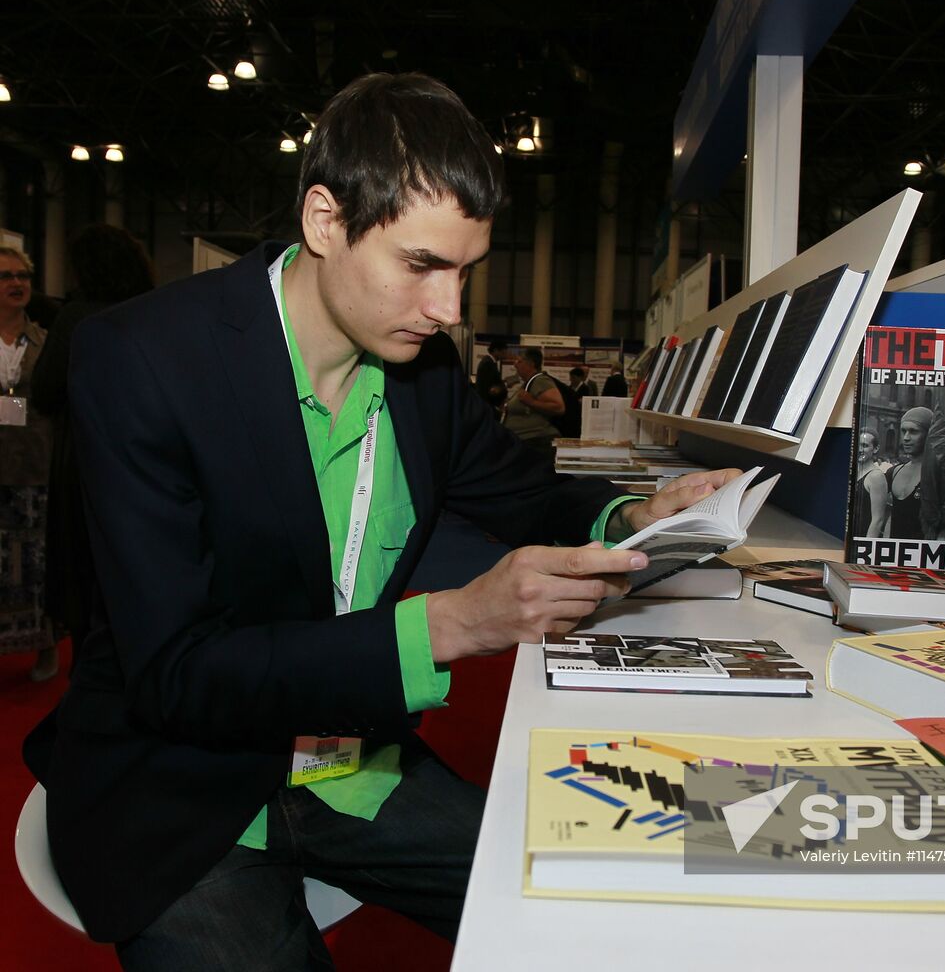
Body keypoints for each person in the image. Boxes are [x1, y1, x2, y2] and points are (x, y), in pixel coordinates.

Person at [22, 71, 739, 967]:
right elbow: (176, 673)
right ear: (325, 221)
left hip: (343, 760)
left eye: (466, 271)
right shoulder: (143, 362)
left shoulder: (423, 374)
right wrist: (451, 625)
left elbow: (524, 490)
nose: (449, 312)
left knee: (593, 914)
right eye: (421, 265)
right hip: (180, 790)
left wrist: (637, 509)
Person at [31, 224, 155, 667]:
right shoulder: (152, 311)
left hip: (83, 464)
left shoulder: (76, 319)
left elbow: (44, 390)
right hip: (147, 462)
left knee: (83, 582)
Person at [0, 246, 58, 682]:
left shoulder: (44, 340)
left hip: (37, 467)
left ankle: (45, 649)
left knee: (38, 565)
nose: (17, 283)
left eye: (23, 276)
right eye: (6, 276)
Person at [503, 345, 565, 448]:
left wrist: (531, 402)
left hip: (535, 442)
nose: (515, 365)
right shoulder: (529, 383)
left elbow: (558, 407)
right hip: (524, 441)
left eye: (519, 361)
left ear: (530, 364)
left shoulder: (541, 381)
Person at [885, 407, 931, 539]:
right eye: (903, 431)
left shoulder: (937, 474)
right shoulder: (893, 472)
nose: (906, 438)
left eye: (913, 432)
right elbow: (889, 514)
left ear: (928, 434)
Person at [851, 429, 888, 539]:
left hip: (862, 537)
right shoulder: (854, 471)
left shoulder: (876, 477)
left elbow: (878, 520)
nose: (859, 449)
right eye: (857, 444)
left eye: (864, 445)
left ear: (875, 449)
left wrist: (866, 546)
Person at [473, 339, 506, 416]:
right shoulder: (488, 363)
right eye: (503, 352)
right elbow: (487, 386)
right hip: (487, 404)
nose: (504, 355)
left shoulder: (490, 362)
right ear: (495, 350)